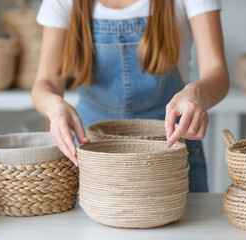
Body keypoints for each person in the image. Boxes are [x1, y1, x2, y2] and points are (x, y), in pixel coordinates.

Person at [32, 0, 229, 192]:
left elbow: (217, 73)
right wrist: (54, 106)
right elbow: (45, 83)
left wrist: (195, 94)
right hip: (89, 158)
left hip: (171, 157)